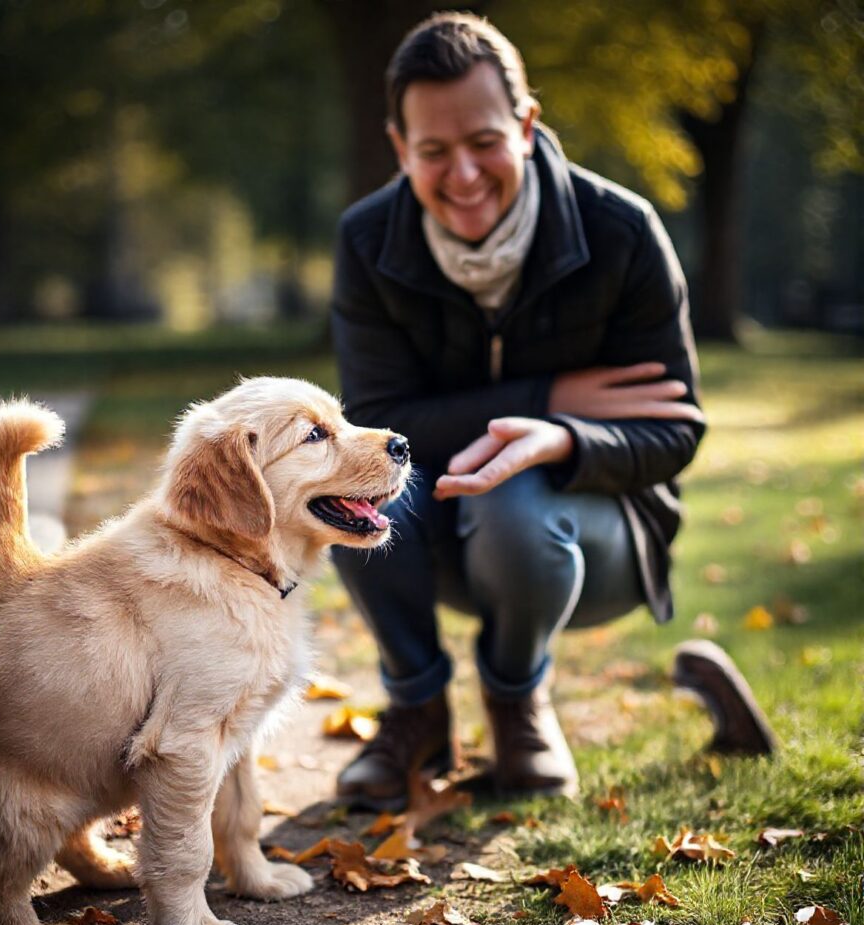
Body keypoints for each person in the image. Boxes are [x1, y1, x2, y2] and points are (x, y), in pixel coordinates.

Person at [329, 12, 773, 812]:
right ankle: (417, 708)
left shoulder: (622, 232)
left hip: (587, 543)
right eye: (433, 151)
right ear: (401, 148)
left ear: (527, 125)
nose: (462, 174)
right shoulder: (367, 242)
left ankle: (517, 704)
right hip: (433, 539)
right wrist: (544, 397)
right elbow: (378, 421)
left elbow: (676, 429)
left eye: (485, 141)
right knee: (340, 484)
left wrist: (560, 437)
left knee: (516, 493)